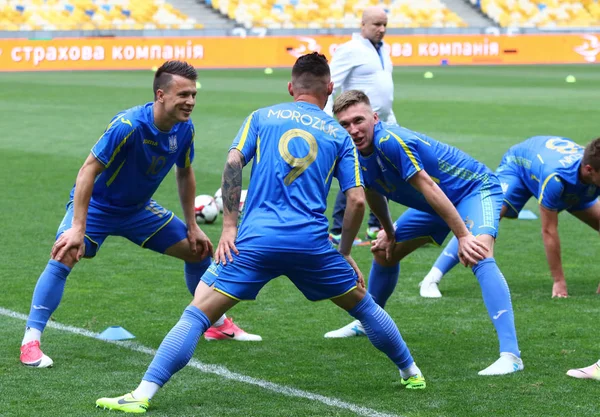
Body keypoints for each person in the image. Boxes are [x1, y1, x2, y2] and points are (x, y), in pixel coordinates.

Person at [96, 52, 426, 414]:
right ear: (329, 89)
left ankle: (142, 394)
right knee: (363, 306)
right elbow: (358, 202)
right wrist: (344, 252)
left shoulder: (262, 116)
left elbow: (234, 162)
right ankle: (411, 371)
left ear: (290, 87)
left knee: (196, 315)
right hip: (311, 245)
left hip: (255, 241)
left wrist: (229, 227)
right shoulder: (339, 135)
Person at [19, 61, 261, 369]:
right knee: (65, 252)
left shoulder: (185, 129)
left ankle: (216, 324)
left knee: (198, 250)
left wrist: (192, 226)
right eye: (183, 94)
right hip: (98, 207)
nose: (190, 102)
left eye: (193, 95)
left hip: (138, 210)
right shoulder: (128, 125)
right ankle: (30, 341)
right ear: (161, 95)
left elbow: (185, 173)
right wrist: (78, 226)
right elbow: (87, 171)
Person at [325, 90, 523, 376]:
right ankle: (368, 321)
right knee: (383, 252)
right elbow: (372, 190)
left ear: (375, 118)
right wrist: (389, 231)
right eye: (345, 124)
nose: (353, 130)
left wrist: (464, 236)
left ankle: (511, 355)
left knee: (478, 253)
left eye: (358, 120)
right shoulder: (350, 152)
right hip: (434, 204)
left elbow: (428, 186)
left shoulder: (389, 140)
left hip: (473, 190)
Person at [420, 136, 600, 299]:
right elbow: (549, 230)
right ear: (589, 169)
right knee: (487, 218)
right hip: (519, 167)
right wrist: (559, 281)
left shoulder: (589, 171)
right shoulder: (555, 178)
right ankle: (432, 278)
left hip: (572, 182)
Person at [324, 5, 395, 243]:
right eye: (377, 24)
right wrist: (328, 122)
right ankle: (337, 230)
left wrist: (391, 119)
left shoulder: (384, 49)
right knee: (355, 174)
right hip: (358, 126)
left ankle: (376, 226)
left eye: (384, 24)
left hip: (382, 123)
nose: (382, 29)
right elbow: (329, 84)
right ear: (363, 25)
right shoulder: (350, 49)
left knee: (383, 174)